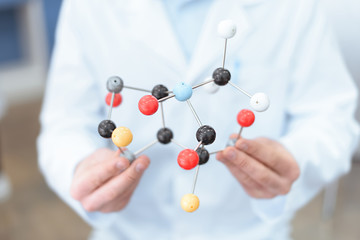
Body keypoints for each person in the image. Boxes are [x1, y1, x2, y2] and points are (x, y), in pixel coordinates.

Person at [37, 0, 359, 239]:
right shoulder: (89, 8)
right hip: (129, 230)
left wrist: (296, 159)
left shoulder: (291, 8)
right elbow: (64, 124)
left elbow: (331, 114)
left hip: (252, 230)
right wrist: (79, 169)